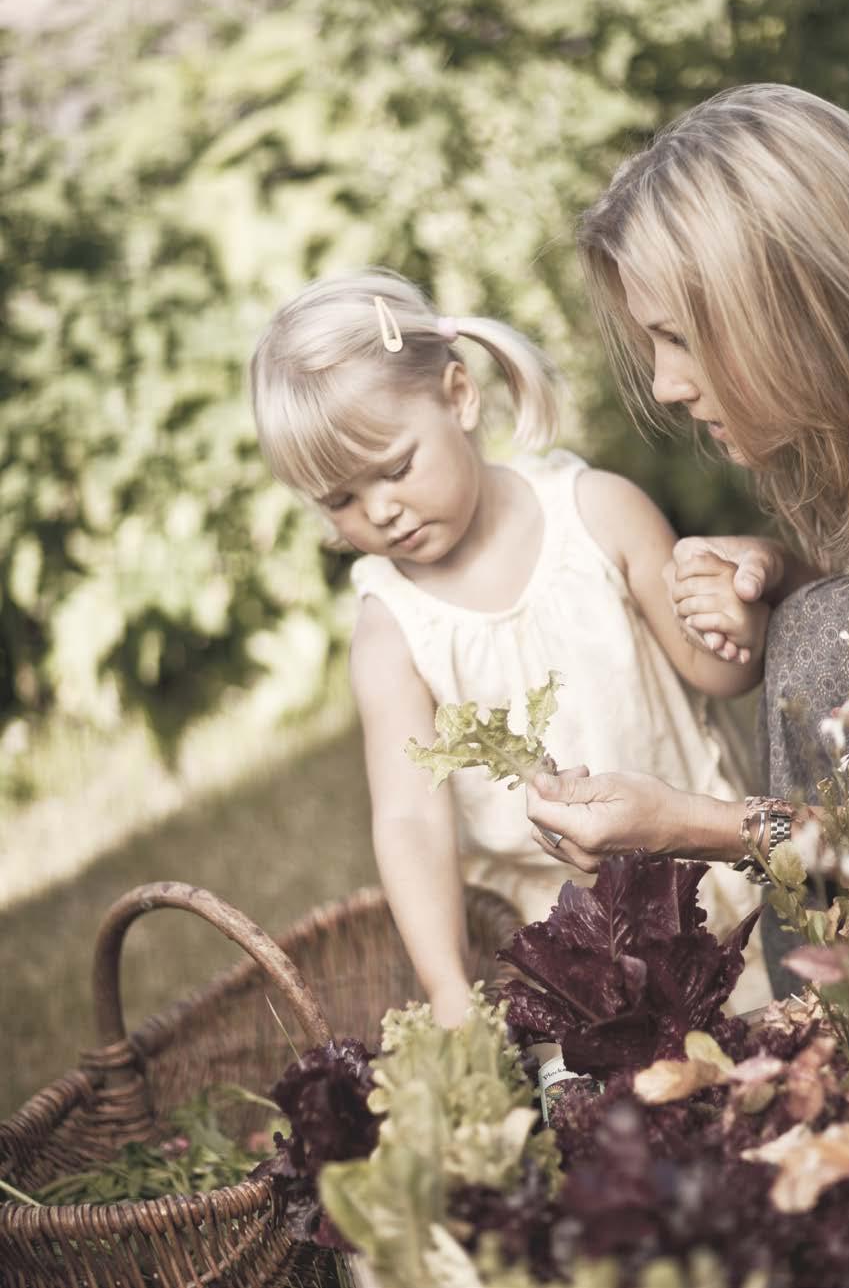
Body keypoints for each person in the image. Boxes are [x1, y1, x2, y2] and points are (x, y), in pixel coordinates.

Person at [249, 268, 772, 1025]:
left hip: (709, 878)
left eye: (395, 468)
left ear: (459, 397)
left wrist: (741, 625)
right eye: (341, 500)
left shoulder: (596, 512)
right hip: (566, 948)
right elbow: (409, 819)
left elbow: (716, 672)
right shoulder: (392, 625)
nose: (381, 510)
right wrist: (448, 987)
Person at [525, 83, 849, 996]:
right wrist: (788, 576)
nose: (668, 385)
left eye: (682, 338)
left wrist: (693, 823)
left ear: (790, 300)